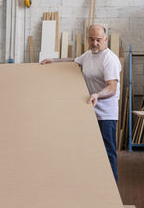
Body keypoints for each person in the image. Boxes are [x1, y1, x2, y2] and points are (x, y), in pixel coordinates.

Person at [41, 24, 121, 182]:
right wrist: (54, 61)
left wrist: (98, 94)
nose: (95, 43)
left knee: (107, 152)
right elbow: (74, 61)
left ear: (105, 39)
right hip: (89, 112)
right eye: (91, 39)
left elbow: (112, 87)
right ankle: (96, 186)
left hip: (106, 115)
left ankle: (111, 191)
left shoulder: (109, 59)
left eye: (98, 40)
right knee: (90, 152)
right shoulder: (89, 55)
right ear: (88, 39)